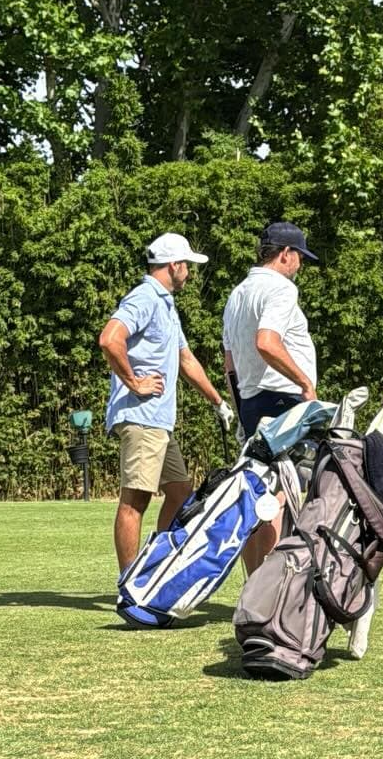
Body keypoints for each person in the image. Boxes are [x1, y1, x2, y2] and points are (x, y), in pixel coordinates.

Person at [98, 231, 236, 572]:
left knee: (180, 492)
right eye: (186, 265)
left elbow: (186, 360)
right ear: (173, 265)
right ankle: (131, 585)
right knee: (135, 501)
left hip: (158, 421)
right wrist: (134, 382)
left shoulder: (166, 304)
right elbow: (109, 339)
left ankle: (157, 566)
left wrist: (219, 402)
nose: (189, 272)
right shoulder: (144, 297)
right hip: (142, 416)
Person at [221, 219, 320, 569]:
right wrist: (305, 383)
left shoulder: (237, 294)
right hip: (283, 400)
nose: (301, 265)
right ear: (286, 254)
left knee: (256, 495)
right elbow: (267, 342)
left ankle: (254, 587)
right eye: (300, 257)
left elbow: (229, 365)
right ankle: (271, 591)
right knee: (278, 497)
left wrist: (239, 410)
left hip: (251, 403)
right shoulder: (281, 289)